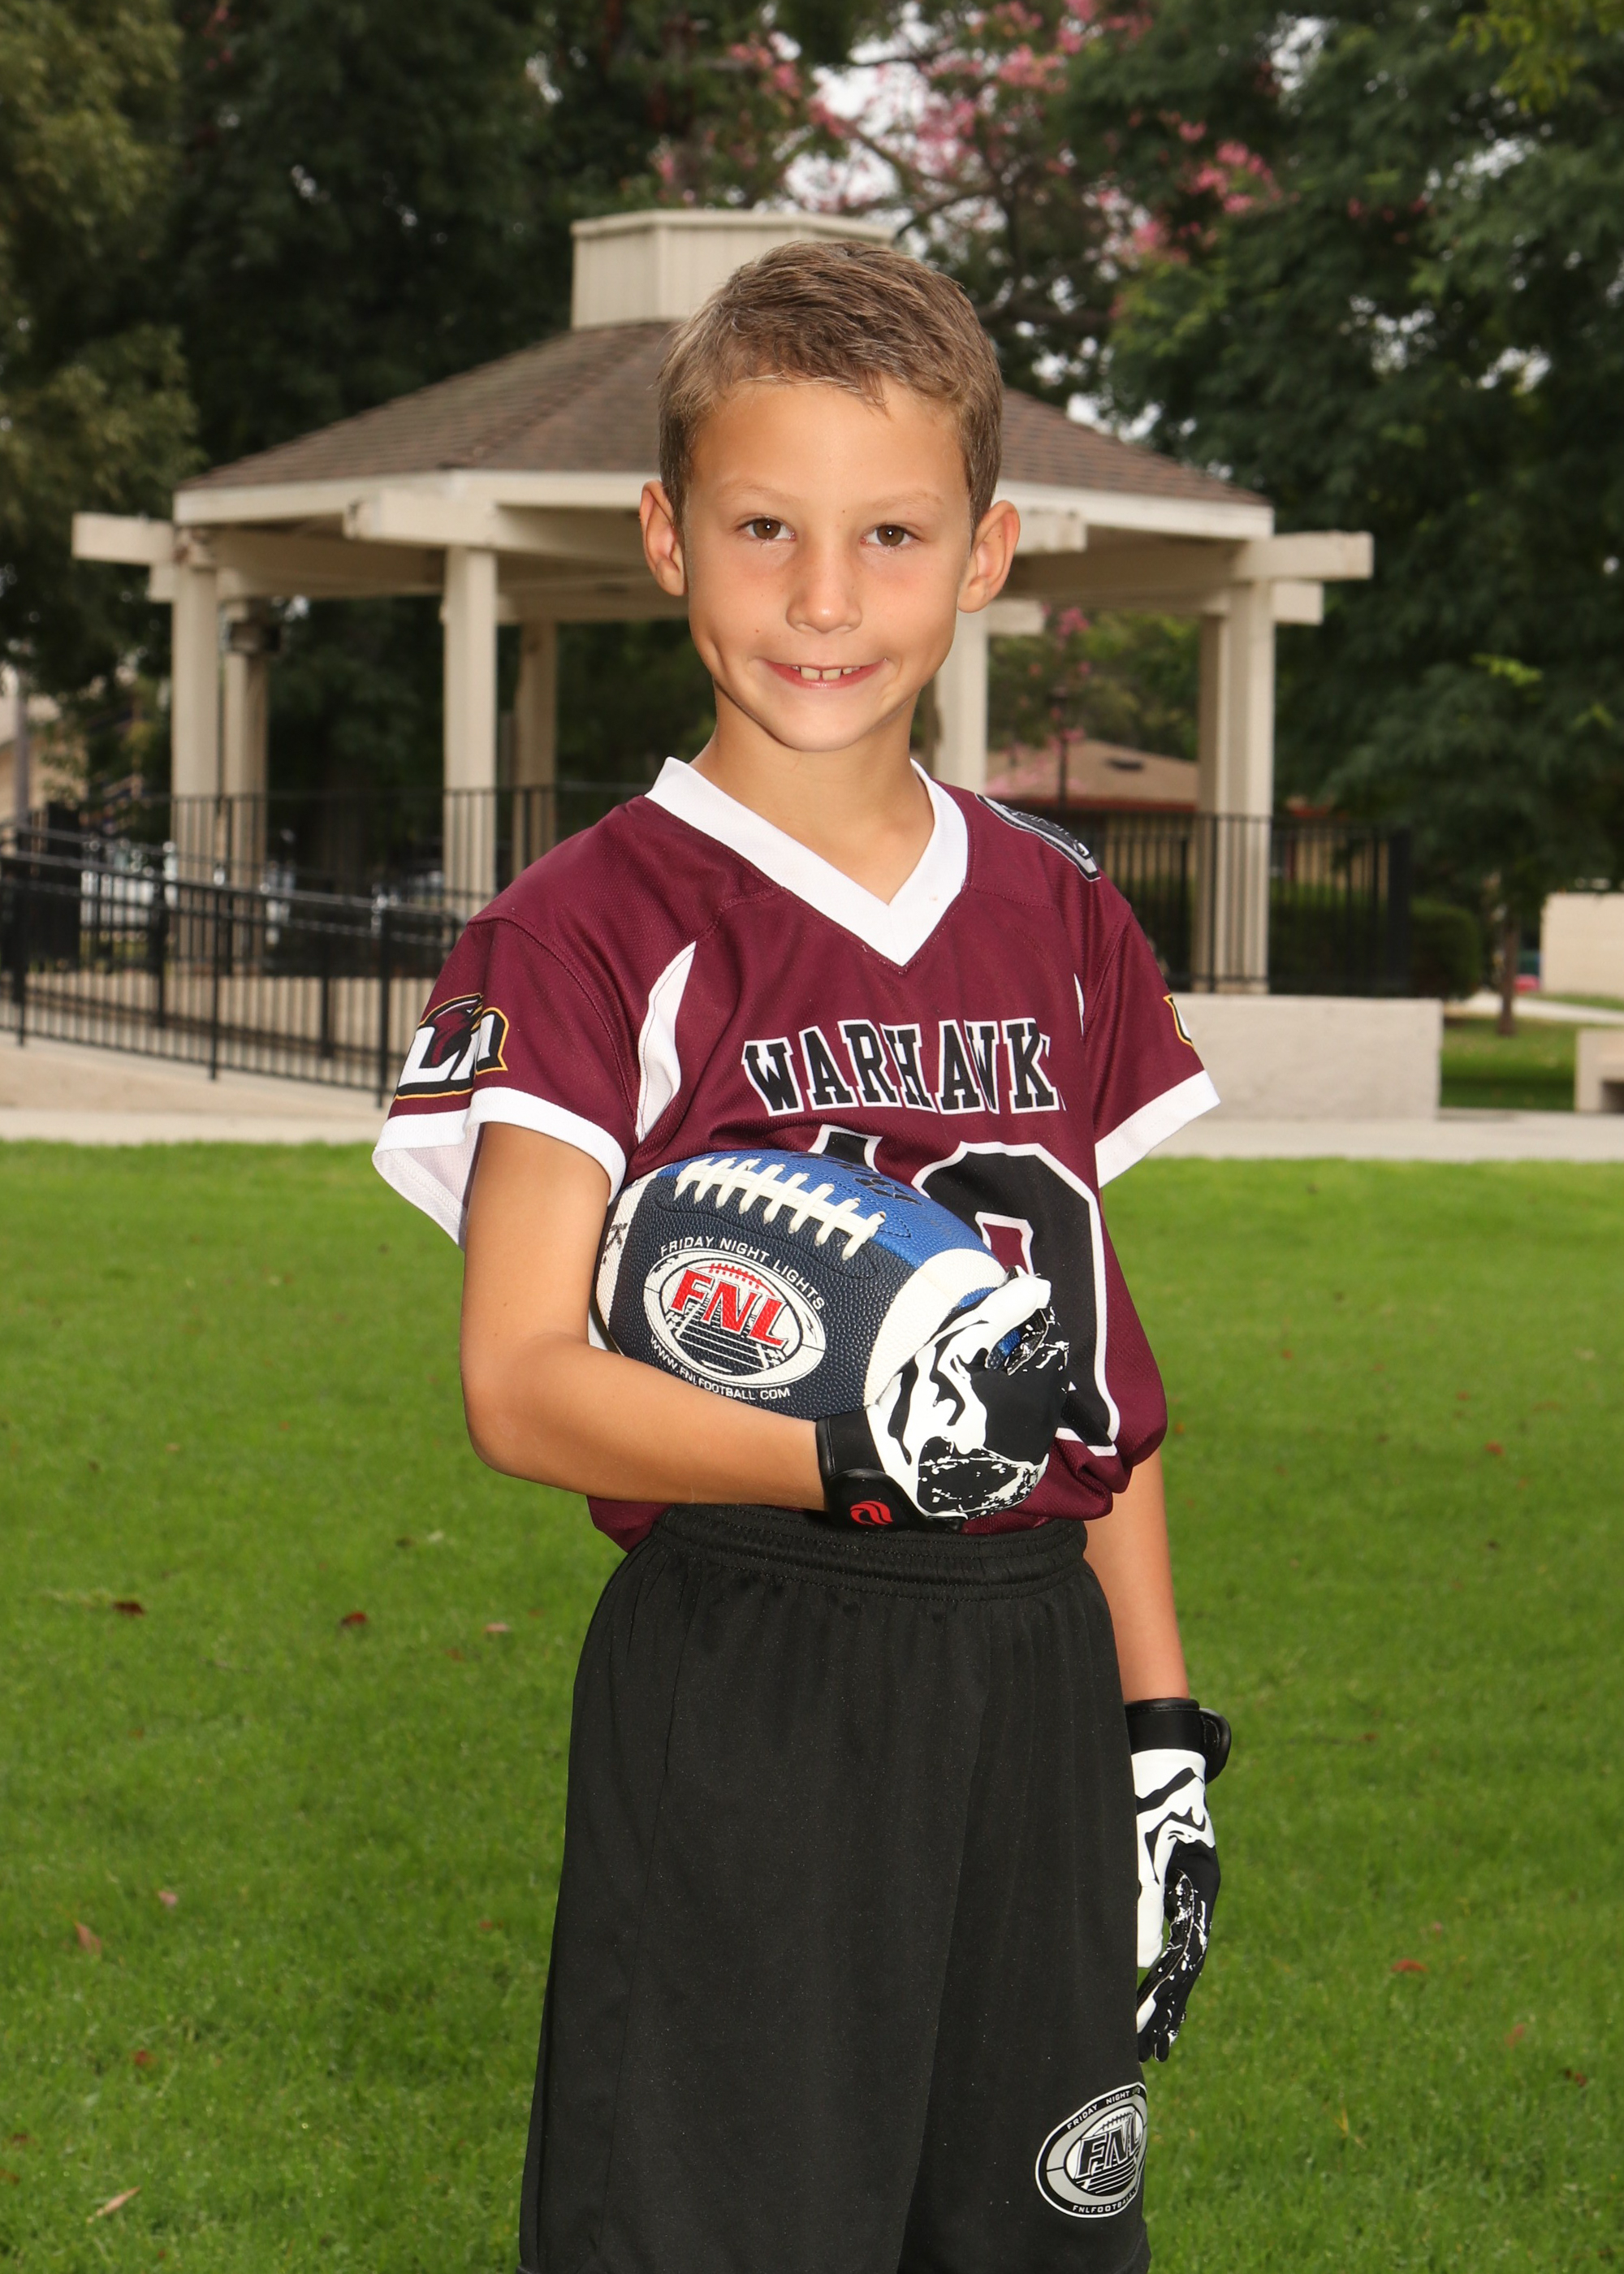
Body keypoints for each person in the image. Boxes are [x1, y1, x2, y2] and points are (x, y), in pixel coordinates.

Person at [374, 239, 1227, 2274]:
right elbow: (519, 1380)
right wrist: (848, 1453)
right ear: (667, 534)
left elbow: (1095, 1378)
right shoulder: (584, 925)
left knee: (1025, 2238)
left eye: (889, 534)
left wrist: (1158, 1728)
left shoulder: (1062, 911)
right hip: (758, 1656)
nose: (824, 598)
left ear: (986, 552)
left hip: (1030, 1662)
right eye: (765, 528)